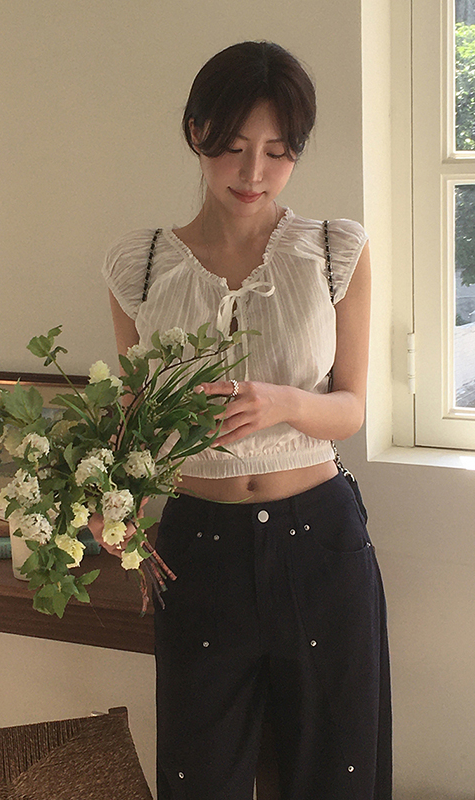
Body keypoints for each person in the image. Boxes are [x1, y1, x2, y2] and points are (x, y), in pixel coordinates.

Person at [96, 40, 391, 800]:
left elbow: (351, 408)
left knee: (335, 774)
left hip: (320, 540)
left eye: (278, 151)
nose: (253, 172)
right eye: (232, 146)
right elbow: (133, 417)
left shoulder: (334, 250)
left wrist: (281, 402)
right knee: (200, 776)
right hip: (198, 546)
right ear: (196, 131)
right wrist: (110, 506)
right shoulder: (141, 266)